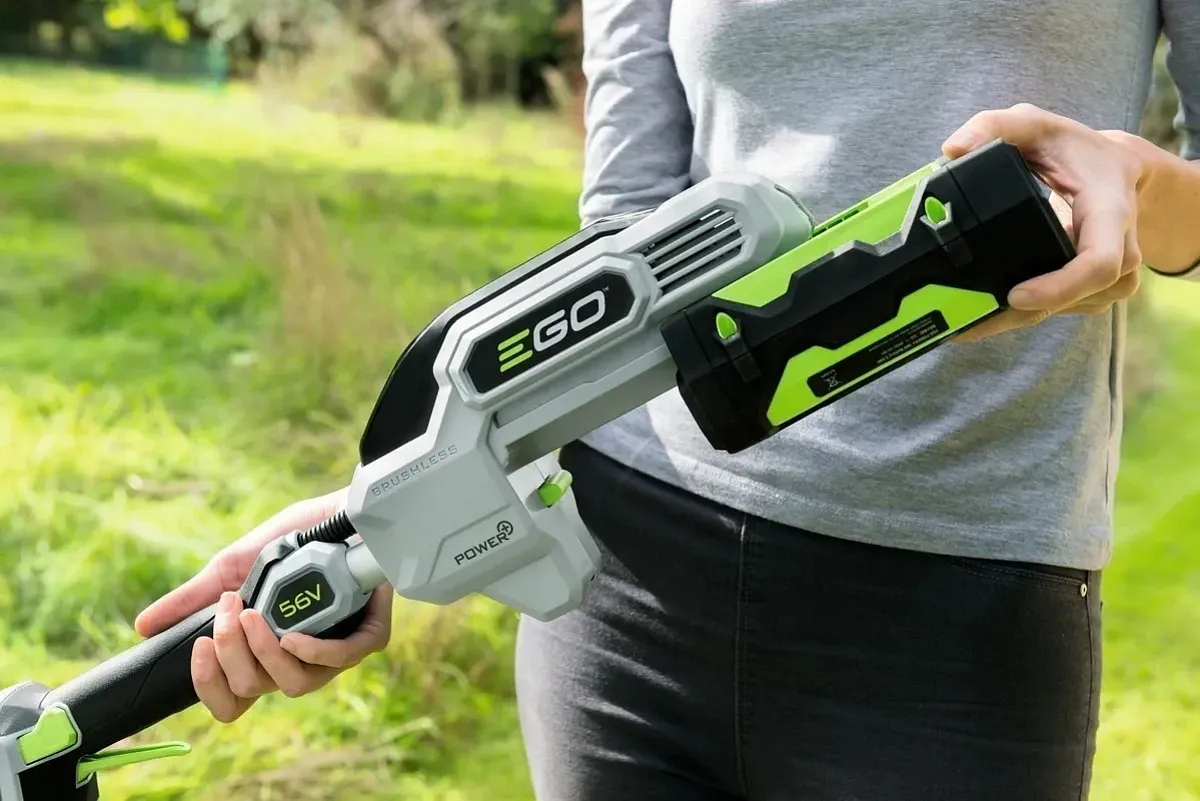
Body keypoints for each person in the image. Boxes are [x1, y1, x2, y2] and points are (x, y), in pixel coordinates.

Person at [135, 2, 1200, 798]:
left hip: (956, 619)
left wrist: (1134, 179)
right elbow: (623, 244)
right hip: (627, 593)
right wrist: (377, 515)